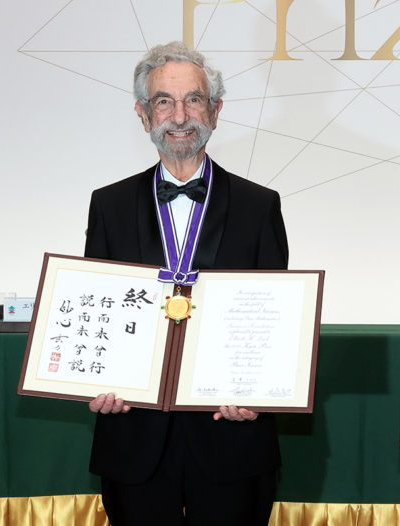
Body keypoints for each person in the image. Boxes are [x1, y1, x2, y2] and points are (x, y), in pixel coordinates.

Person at [83, 42, 288, 526]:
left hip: (231, 434)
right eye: (163, 101)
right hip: (133, 434)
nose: (179, 116)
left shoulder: (261, 205)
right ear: (142, 113)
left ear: (216, 110)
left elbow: (275, 317)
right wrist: (94, 380)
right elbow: (98, 309)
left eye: (194, 100)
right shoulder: (107, 205)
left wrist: (257, 393)